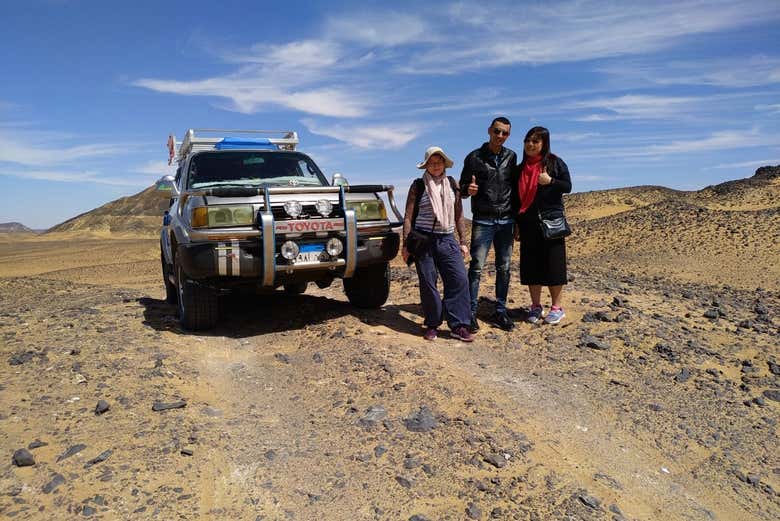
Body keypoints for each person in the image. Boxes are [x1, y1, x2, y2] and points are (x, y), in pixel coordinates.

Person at [402, 146, 474, 342]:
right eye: (431, 163)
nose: (435, 166)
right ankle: (432, 323)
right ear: (426, 165)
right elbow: (408, 217)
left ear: (444, 164)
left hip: (447, 238)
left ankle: (459, 325)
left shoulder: (452, 184)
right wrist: (405, 244)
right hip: (423, 239)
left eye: (439, 162)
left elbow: (459, 214)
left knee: (459, 280)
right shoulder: (418, 185)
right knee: (428, 282)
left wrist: (463, 241)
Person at [459, 117, 518, 332]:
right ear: (489, 131)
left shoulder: (511, 157)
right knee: (476, 267)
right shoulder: (474, 157)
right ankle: (470, 312)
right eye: (497, 131)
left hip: (506, 219)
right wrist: (468, 190)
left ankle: (500, 312)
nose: (500, 136)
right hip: (483, 219)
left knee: (504, 268)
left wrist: (517, 220)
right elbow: (462, 188)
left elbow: (515, 188)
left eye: (505, 133)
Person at [512, 126, 572, 324]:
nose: (530, 144)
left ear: (544, 143)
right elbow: (515, 199)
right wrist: (517, 224)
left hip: (550, 223)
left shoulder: (554, 162)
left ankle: (557, 307)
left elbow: (567, 186)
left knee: (554, 265)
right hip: (528, 224)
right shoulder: (520, 169)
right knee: (531, 266)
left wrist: (551, 181)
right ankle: (536, 306)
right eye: (528, 140)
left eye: (536, 141)